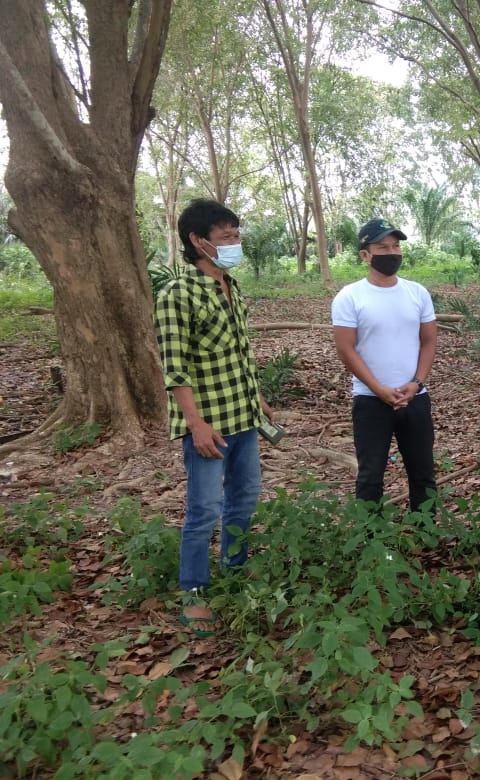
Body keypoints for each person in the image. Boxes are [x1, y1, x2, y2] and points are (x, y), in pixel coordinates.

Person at [154, 198, 274, 637]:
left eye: (237, 236)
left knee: (243, 500)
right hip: (209, 425)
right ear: (198, 241)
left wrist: (256, 397)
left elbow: (242, 353)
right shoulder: (177, 295)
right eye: (226, 237)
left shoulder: (231, 286)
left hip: (242, 416)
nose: (234, 244)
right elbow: (175, 367)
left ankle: (235, 570)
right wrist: (195, 423)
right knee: (204, 509)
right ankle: (195, 592)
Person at [331, 218, 437, 512]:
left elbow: (428, 341)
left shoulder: (417, 292)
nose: (392, 252)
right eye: (382, 247)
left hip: (415, 396)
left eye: (395, 246)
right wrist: (377, 388)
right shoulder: (350, 297)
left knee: (423, 471)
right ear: (365, 255)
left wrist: (417, 383)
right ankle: (371, 537)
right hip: (370, 400)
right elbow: (345, 348)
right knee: (370, 475)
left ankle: (425, 527)